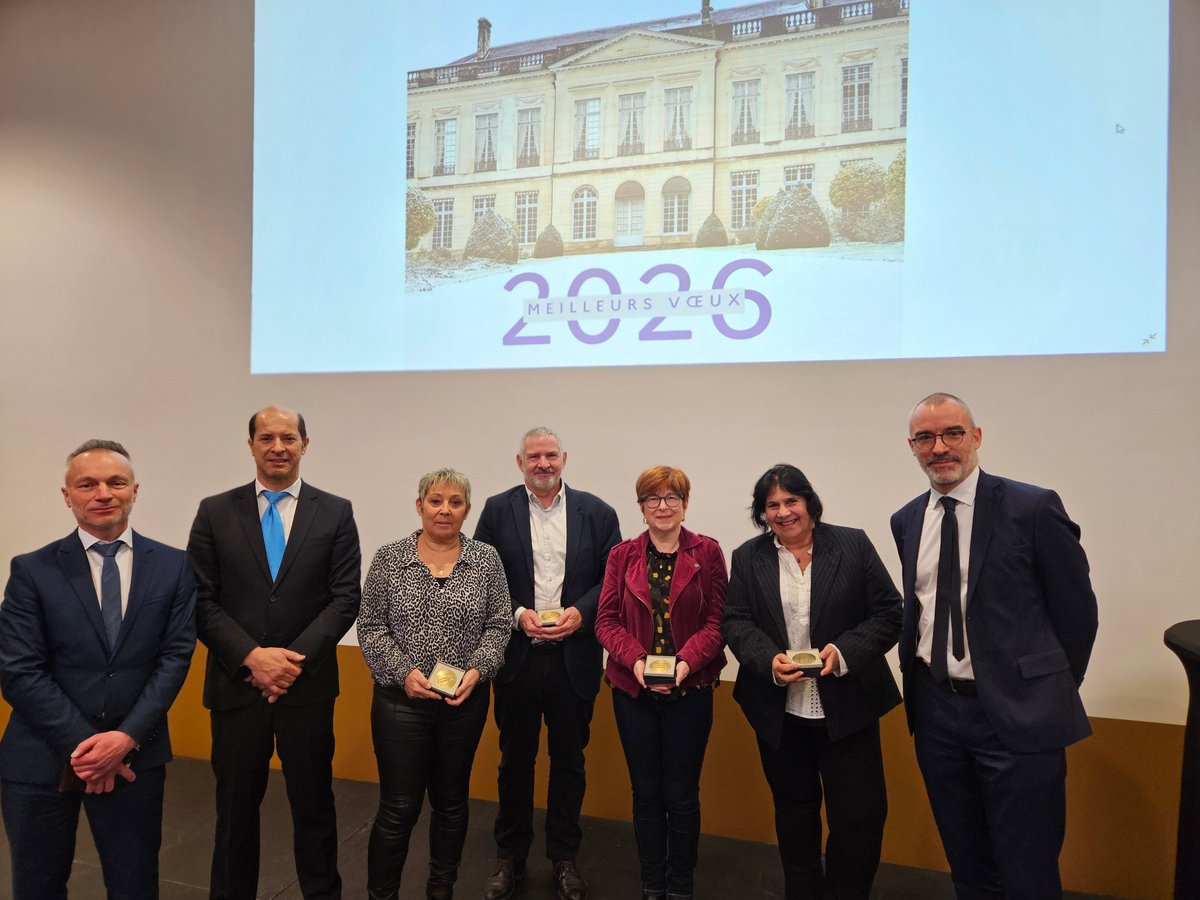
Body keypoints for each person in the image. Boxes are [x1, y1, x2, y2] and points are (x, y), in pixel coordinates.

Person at [891, 392, 1098, 899]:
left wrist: (1044, 691)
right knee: (967, 864)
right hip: (937, 715)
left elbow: (1077, 613)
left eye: (952, 433)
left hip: (1018, 716)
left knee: (1028, 869)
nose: (940, 447)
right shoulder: (907, 520)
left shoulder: (1032, 507)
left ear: (976, 437)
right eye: (925, 438)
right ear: (912, 447)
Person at [0, 440, 196, 900]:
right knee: (38, 887)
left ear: (135, 491)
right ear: (67, 495)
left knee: (134, 886)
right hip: (40, 758)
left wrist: (124, 740)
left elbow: (175, 658)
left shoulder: (174, 566)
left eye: (116, 482)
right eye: (87, 484)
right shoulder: (31, 570)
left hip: (135, 757)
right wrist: (90, 748)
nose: (103, 493)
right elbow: (19, 670)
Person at [188, 407, 362, 900]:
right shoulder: (215, 511)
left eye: (288, 437)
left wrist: (287, 663)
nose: (278, 447)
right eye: (266, 437)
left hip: (306, 690)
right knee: (234, 813)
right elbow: (199, 598)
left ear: (305, 444)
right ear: (251, 445)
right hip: (237, 687)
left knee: (315, 808)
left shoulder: (335, 511)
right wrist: (252, 657)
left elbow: (345, 598)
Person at [722, 464, 902, 900]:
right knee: (794, 814)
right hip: (780, 715)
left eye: (791, 501)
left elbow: (889, 613)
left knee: (858, 819)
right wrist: (768, 660)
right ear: (762, 513)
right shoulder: (748, 557)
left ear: (809, 503)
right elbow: (736, 621)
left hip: (849, 710)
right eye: (772, 505)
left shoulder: (852, 544)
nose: (783, 512)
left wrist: (843, 652)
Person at [473, 427, 622, 900]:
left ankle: (564, 857)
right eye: (534, 456)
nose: (543, 463)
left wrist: (582, 612)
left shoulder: (598, 513)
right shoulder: (497, 510)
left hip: (574, 660)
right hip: (517, 658)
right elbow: (481, 575)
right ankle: (510, 858)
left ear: (565, 458)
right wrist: (518, 614)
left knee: (569, 763)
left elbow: (612, 579)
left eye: (551, 455)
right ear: (519, 462)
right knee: (514, 762)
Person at [357, 468, 512, 900]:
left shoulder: (486, 560)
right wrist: (403, 673)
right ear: (419, 505)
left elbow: (499, 625)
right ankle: (382, 894)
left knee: (451, 803)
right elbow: (370, 627)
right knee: (398, 808)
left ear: (467, 510)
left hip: (463, 705)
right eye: (436, 500)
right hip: (400, 705)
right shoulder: (390, 559)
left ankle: (441, 890)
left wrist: (478, 670)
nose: (445, 509)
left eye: (455, 502)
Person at [595, 466, 727, 900]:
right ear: (641, 506)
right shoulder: (621, 556)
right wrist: (635, 661)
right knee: (647, 795)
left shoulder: (708, 552)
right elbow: (606, 621)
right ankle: (652, 884)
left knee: (682, 795)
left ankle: (681, 886)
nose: (663, 506)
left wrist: (686, 663)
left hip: (691, 691)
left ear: (685, 504)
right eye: (653, 498)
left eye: (672, 497)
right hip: (632, 693)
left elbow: (717, 622)